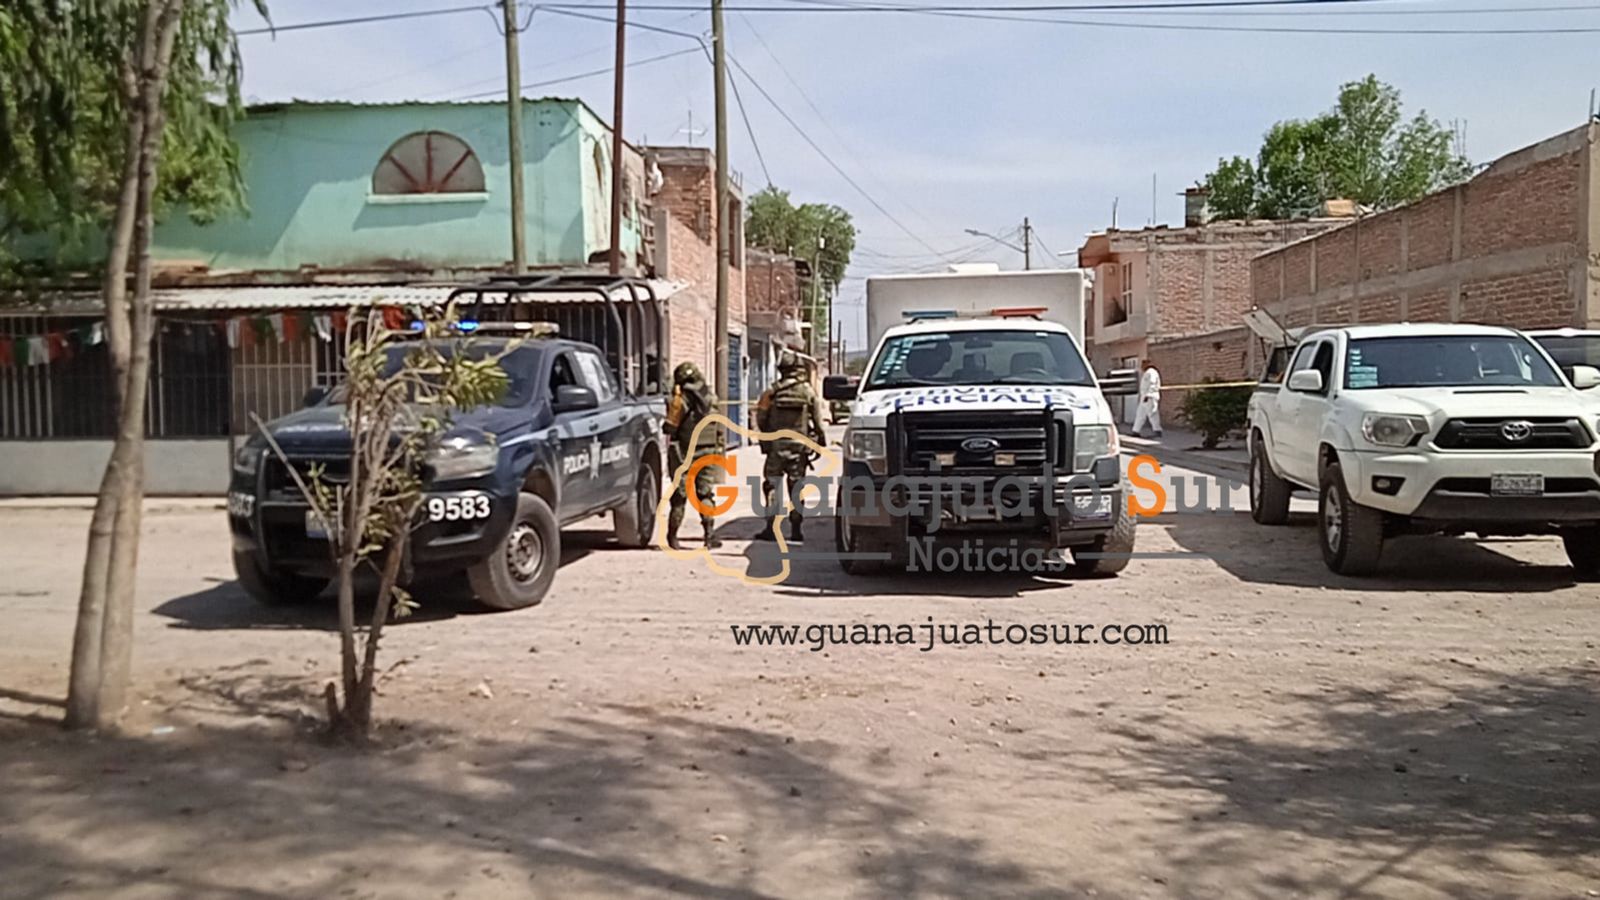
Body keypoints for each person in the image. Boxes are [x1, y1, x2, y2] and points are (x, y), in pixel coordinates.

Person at [754, 350, 827, 542]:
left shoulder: (771, 392)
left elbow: (761, 418)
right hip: (799, 449)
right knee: (796, 488)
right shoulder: (808, 392)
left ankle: (771, 528)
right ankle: (796, 530)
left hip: (776, 448)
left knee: (772, 486)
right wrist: (821, 441)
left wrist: (768, 437)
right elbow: (818, 423)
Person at [664, 361, 723, 550]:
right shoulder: (711, 398)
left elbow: (670, 427)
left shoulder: (680, 400)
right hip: (708, 452)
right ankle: (709, 536)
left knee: (679, 496)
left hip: (684, 453)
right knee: (705, 494)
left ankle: (672, 537)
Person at [1132, 359, 1164, 438]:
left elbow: (1153, 385)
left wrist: (1148, 395)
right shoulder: (1146, 373)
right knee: (1140, 414)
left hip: (1150, 397)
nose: (1141, 366)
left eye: (1143, 364)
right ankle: (1136, 431)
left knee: (1152, 414)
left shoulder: (1151, 372)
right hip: (1144, 398)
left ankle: (1157, 430)